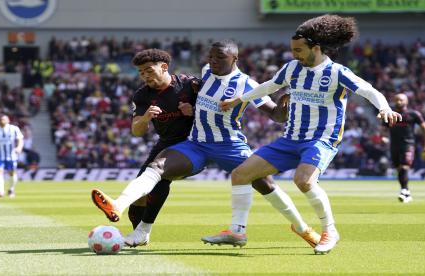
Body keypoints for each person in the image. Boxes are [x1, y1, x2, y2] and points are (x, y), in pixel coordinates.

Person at [92, 39, 320, 249]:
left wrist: (284, 101)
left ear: (234, 59)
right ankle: (118, 206)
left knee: (265, 186)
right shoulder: (203, 75)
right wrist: (192, 110)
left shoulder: (246, 84)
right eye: (210, 57)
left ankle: (302, 228)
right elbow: (198, 100)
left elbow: (276, 116)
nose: (213, 62)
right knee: (157, 167)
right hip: (197, 144)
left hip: (230, 146)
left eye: (220, 58)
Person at [212, 15, 402, 254]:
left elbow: (368, 90)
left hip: (321, 139)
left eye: (299, 50)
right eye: (293, 50)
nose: (294, 55)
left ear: (316, 48)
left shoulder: (336, 72)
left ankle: (329, 231)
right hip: (290, 138)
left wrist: (384, 107)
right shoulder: (292, 68)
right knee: (240, 174)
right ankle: (237, 230)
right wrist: (239, 99)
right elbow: (270, 86)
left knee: (303, 181)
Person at [125, 48, 200, 232]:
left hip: (195, 143)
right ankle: (138, 233)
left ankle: (142, 232)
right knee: (139, 193)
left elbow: (218, 109)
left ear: (164, 67)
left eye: (149, 70)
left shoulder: (191, 85)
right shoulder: (142, 95)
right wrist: (145, 118)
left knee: (160, 178)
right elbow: (136, 131)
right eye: (141, 72)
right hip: (166, 143)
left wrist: (194, 111)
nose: (145, 76)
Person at [387, 93, 425, 203]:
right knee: (399, 169)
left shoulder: (413, 114)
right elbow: (384, 128)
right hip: (394, 145)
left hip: (408, 144)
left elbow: (423, 127)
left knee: (404, 167)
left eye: (401, 100)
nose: (399, 102)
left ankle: (403, 190)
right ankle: (406, 192)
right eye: (397, 100)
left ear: (406, 101)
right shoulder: (390, 114)